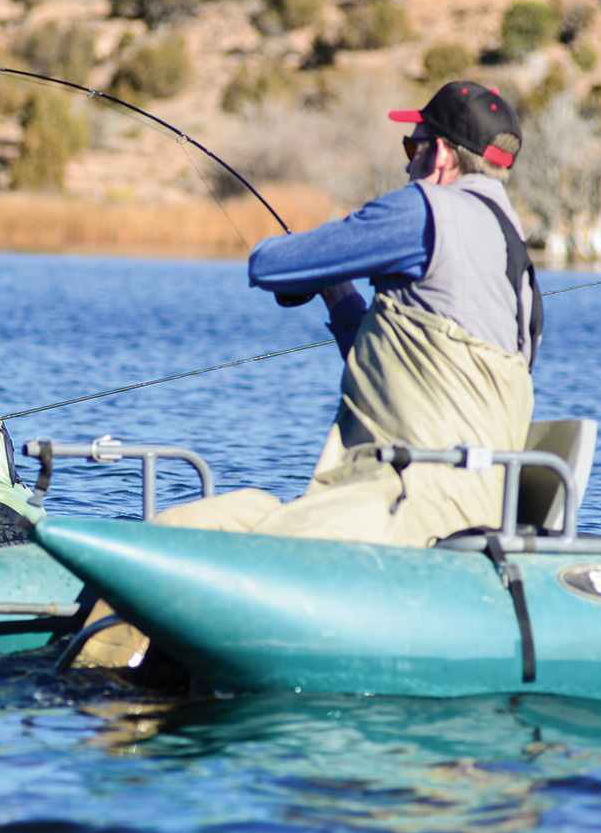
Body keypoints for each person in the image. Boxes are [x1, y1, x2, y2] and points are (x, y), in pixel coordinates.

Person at [155, 81, 541, 547]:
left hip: (410, 501)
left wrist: (303, 261)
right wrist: (338, 295)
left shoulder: (426, 208)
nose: (406, 162)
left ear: (440, 154)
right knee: (179, 528)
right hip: (468, 503)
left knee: (203, 542)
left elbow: (269, 265)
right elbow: (411, 376)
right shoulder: (517, 258)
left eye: (411, 145)